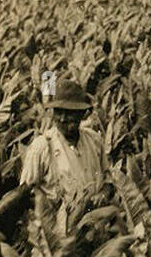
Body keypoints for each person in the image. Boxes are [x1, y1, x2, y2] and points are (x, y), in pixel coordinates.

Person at [21, 77, 108, 211]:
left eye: (69, 113)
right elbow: (25, 194)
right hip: (58, 225)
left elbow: (108, 180)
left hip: (94, 220)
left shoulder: (94, 140)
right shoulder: (41, 147)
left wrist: (103, 195)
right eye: (58, 112)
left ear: (82, 114)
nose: (62, 119)